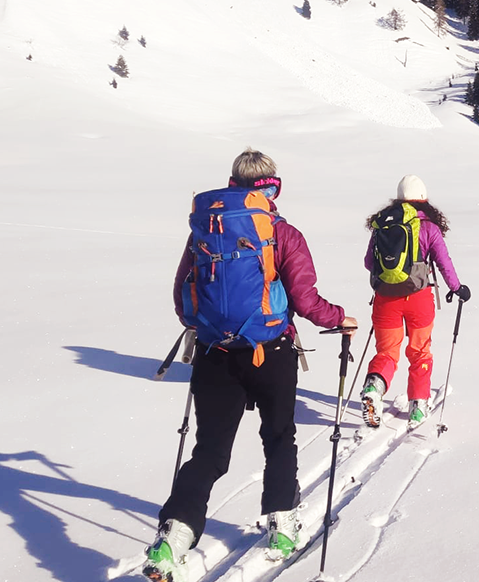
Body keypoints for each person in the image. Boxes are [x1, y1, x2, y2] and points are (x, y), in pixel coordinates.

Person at [143, 149, 357, 581]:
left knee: (208, 450)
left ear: (232, 184)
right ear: (272, 186)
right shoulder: (282, 233)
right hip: (271, 351)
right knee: (278, 437)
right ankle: (281, 528)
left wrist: (207, 328)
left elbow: (183, 296)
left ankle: (172, 540)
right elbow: (305, 300)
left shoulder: (205, 230)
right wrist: (340, 318)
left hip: (213, 353)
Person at [361, 175, 470, 430]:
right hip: (419, 300)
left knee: (387, 352)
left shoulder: (382, 226)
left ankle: (373, 388)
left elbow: (369, 262)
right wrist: (457, 288)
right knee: (420, 351)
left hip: (385, 299)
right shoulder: (429, 227)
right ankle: (418, 408)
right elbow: (443, 262)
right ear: (423, 199)